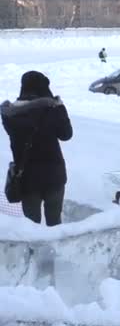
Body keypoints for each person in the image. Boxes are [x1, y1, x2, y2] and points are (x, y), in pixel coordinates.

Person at [1, 71, 73, 226]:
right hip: (54, 176)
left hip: (27, 179)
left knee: (32, 227)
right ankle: (54, 250)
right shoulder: (52, 109)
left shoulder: (10, 115)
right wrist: (60, 106)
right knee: (54, 223)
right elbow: (66, 135)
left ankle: (33, 251)